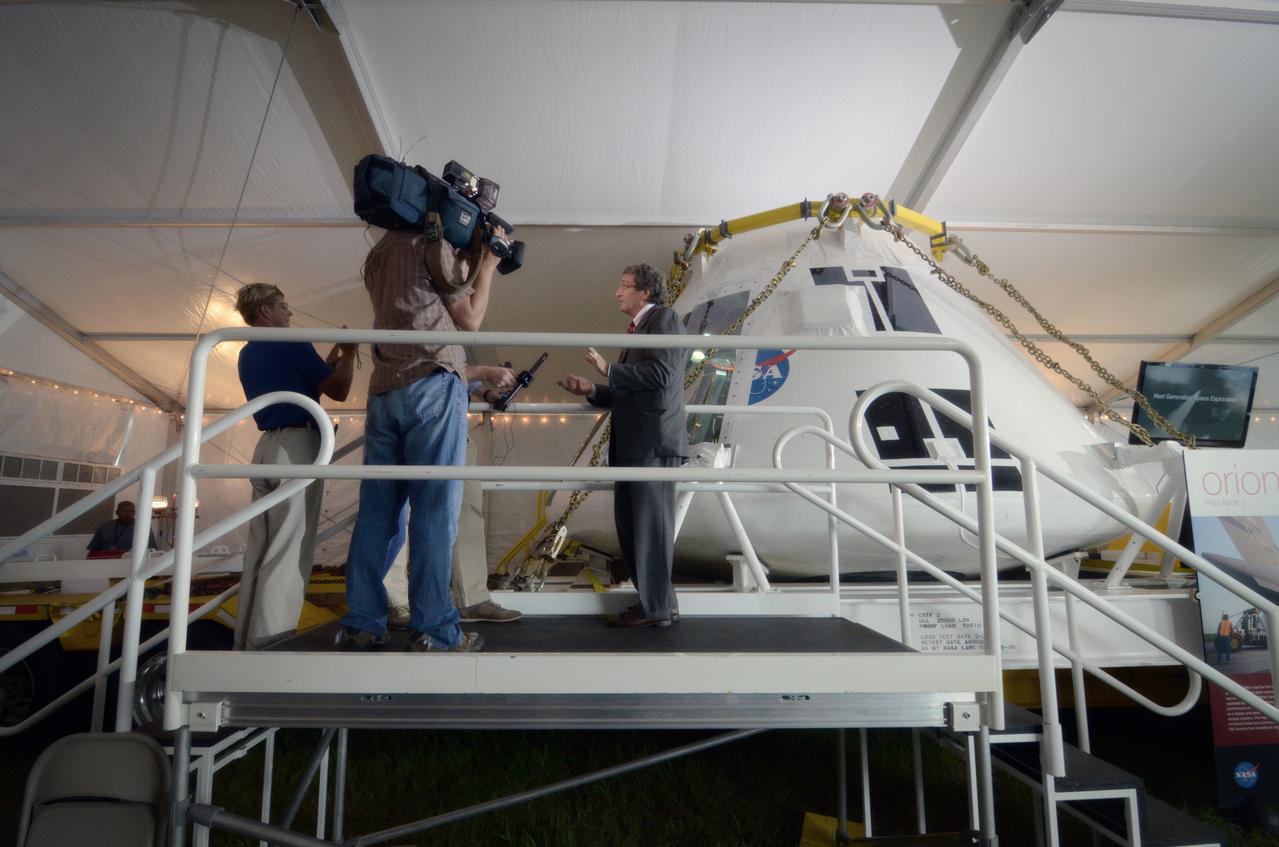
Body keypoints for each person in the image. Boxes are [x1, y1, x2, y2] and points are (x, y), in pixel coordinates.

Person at [338, 221, 506, 652]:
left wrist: (464, 262)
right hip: (432, 384)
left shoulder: (377, 253)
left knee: (378, 513)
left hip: (384, 390)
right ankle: (434, 628)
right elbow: (467, 320)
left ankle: (363, 621)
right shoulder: (432, 245)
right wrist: (485, 267)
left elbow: (422, 304)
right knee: (435, 510)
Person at [558, 263, 687, 628]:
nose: (618, 292)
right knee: (633, 526)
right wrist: (593, 391)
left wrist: (609, 369)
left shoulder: (663, 320)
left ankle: (657, 608)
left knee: (649, 527)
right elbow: (635, 389)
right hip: (638, 443)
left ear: (645, 292)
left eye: (625, 286)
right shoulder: (640, 329)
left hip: (653, 442)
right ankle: (656, 604)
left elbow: (662, 375)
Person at [234, 283, 356, 650]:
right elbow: (338, 391)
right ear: (266, 311)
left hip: (266, 446)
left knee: (261, 546)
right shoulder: (292, 341)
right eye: (283, 306)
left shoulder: (246, 352)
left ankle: (246, 637)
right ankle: (272, 638)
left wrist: (329, 359)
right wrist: (349, 356)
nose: (290, 313)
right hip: (297, 446)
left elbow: (303, 378)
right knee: (291, 545)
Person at [384, 365, 522, 627]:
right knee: (400, 510)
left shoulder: (453, 333)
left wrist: (486, 392)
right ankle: (396, 602)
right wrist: (483, 372)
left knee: (467, 507)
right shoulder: (426, 324)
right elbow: (426, 371)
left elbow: (454, 371)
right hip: (417, 418)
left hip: (453, 424)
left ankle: (472, 597)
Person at [86, 500, 156, 556]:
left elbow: (152, 551)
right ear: (117, 512)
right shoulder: (105, 526)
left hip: (130, 564)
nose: (128, 513)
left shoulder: (143, 527)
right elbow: (92, 551)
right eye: (124, 511)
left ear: (134, 512)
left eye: (131, 511)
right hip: (105, 562)